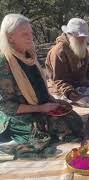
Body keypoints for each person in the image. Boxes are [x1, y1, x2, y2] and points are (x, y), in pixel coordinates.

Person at [0, 14, 83, 157]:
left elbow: (39, 87)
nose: (30, 37)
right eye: (25, 34)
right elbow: (7, 106)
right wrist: (40, 108)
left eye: (31, 33)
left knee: (74, 120)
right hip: (19, 115)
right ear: (10, 37)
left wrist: (52, 101)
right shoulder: (4, 64)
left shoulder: (29, 56)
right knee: (51, 134)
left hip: (40, 106)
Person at [46, 18, 89, 139]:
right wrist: (69, 92)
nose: (82, 39)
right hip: (67, 91)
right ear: (70, 34)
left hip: (81, 86)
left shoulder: (81, 47)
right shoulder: (58, 51)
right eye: (80, 37)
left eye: (84, 37)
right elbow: (57, 79)